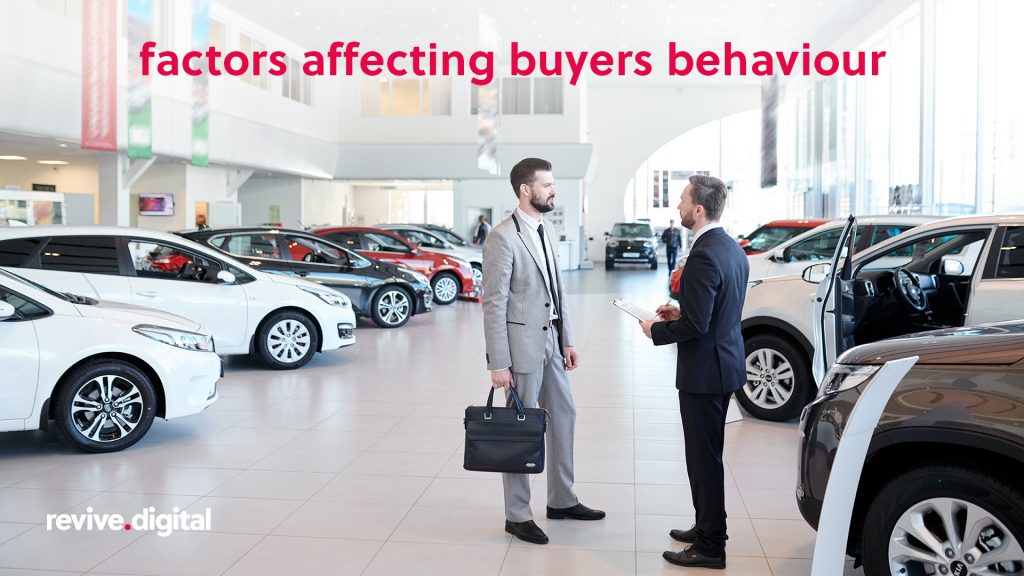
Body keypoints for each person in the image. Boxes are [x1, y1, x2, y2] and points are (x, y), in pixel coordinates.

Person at [482, 157, 605, 546]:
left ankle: (562, 500)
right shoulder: (502, 237)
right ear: (525, 190)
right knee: (521, 428)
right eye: (547, 185)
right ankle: (517, 515)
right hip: (521, 348)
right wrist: (498, 363)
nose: (554, 190)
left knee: (564, 415)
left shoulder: (546, 230)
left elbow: (558, 290)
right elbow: (494, 304)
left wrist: (567, 338)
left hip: (551, 340)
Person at [639, 175, 749, 569]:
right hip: (726, 364)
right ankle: (707, 526)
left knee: (703, 461)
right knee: (708, 457)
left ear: (698, 209)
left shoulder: (703, 253)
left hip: (705, 372)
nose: (679, 207)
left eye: (683, 200)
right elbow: (714, 313)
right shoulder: (730, 247)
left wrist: (657, 329)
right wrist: (683, 311)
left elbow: (697, 327)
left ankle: (710, 546)